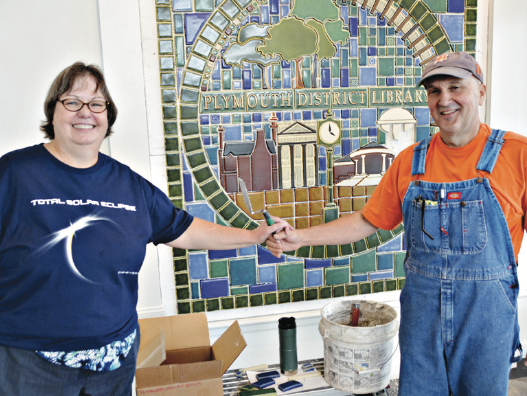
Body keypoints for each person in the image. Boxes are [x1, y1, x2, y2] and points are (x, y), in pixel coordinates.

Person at [0, 62, 288, 396]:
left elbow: (186, 229)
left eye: (97, 104)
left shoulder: (129, 185)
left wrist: (254, 236)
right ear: (53, 111)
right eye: (72, 102)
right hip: (32, 365)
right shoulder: (14, 175)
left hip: (113, 364)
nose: (86, 113)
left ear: (108, 116)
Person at [267, 52, 526, 395]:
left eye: (454, 87)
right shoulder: (410, 161)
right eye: (434, 91)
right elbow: (365, 221)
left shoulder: (517, 154)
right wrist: (300, 237)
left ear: (480, 92)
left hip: (486, 317)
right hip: (423, 317)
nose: (444, 100)